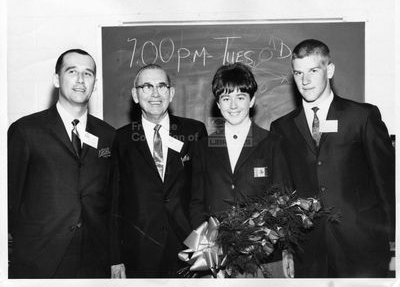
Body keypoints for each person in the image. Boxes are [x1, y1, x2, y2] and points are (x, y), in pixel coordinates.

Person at [270, 39, 395, 278]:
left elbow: (386, 181)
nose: (304, 81)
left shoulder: (362, 116)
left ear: (329, 70)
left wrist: (392, 238)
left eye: (313, 71)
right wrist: (287, 249)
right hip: (309, 251)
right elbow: (283, 193)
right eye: (298, 73)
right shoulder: (281, 128)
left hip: (363, 246)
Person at [8, 49, 116, 278]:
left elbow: (111, 200)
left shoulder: (108, 135)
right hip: (40, 260)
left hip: (94, 261)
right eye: (72, 71)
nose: (80, 80)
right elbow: (10, 200)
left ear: (95, 84)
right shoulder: (26, 130)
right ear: (57, 79)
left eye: (87, 73)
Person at [189, 62, 294, 278]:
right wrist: (209, 255)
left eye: (240, 97)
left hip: (264, 258)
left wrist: (281, 249)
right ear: (218, 104)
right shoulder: (203, 147)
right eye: (226, 98)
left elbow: (282, 201)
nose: (233, 105)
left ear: (252, 100)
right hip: (216, 258)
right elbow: (196, 203)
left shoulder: (272, 143)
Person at [110, 64, 207, 278]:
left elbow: (202, 194)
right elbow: (114, 202)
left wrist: (205, 250)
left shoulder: (194, 132)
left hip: (189, 249)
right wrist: (115, 258)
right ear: (135, 95)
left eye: (162, 86)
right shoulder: (120, 139)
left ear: (171, 93)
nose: (155, 94)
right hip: (139, 252)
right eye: (146, 87)